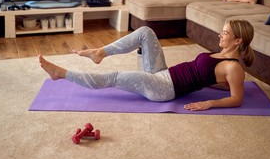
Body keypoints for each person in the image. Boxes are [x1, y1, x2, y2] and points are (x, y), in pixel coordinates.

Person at [39, 19, 255, 111]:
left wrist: (209, 104)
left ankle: (60, 73)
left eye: (225, 33)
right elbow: (215, 80)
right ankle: (99, 53)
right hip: (162, 73)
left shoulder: (234, 68)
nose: (220, 34)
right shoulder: (222, 56)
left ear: (238, 40)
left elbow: (237, 99)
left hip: (163, 89)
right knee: (145, 32)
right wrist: (213, 85)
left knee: (115, 77)